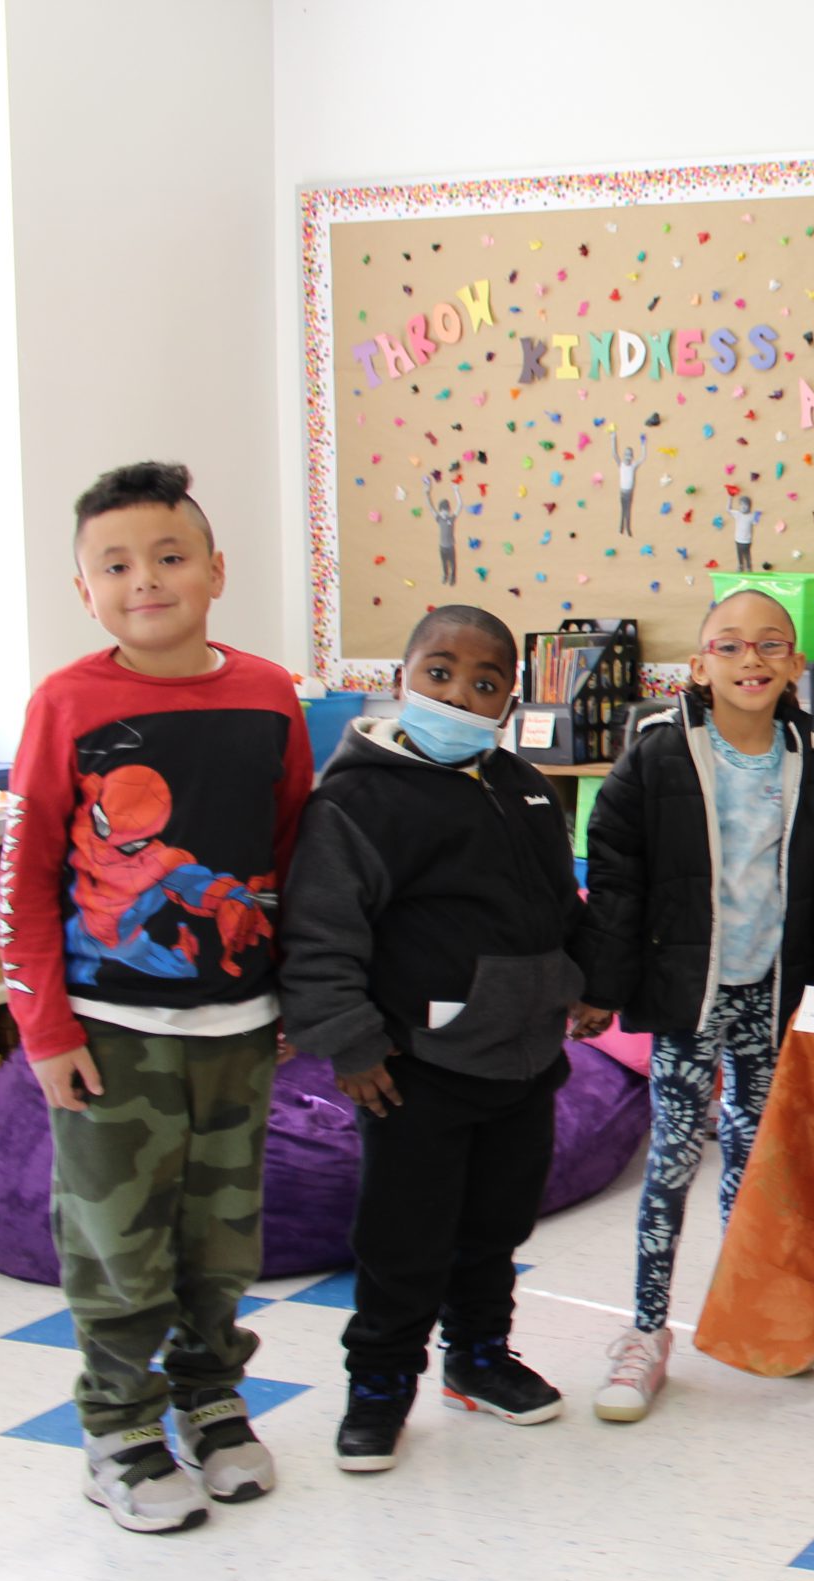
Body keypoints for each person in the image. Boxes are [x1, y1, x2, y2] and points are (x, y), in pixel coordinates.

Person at [1, 461, 314, 1532]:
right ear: (83, 588)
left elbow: (290, 853)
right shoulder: (68, 703)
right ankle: (121, 1428)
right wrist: (44, 1030)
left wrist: (286, 1000)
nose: (147, 581)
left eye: (170, 557)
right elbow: (27, 878)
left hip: (237, 1026)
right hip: (110, 1036)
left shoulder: (269, 694)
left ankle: (211, 1398)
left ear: (216, 571)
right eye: (117, 565)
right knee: (115, 1237)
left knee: (222, 1235)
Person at [279, 605, 590, 1474]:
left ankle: (479, 1356)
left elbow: (556, 906)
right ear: (399, 680)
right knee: (403, 1239)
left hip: (523, 1058)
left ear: (508, 700)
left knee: (495, 1227)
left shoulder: (526, 787)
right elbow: (321, 934)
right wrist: (351, 1044)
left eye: (484, 683)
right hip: (418, 1068)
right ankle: (378, 1385)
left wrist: (582, 982)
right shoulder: (356, 801)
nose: (459, 693)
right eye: (440, 672)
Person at [575, 589, 814, 1421]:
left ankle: (752, 1313)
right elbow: (617, 880)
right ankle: (643, 1331)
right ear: (700, 664)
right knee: (672, 1155)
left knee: (756, 1153)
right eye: (731, 646)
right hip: (686, 993)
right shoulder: (659, 754)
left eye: (770, 645)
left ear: (795, 665)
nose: (751, 661)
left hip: (771, 991)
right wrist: (601, 986)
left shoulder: (808, 755)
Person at [431, 494, 457, 587]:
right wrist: (426, 493)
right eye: (442, 511)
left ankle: (452, 577)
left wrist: (456, 491)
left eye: (445, 510)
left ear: (449, 510)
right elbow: (431, 507)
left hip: (450, 546)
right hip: (442, 546)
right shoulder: (439, 519)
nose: (444, 512)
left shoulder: (451, 519)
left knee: (452, 564)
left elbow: (459, 505)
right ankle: (445, 576)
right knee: (444, 563)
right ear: (440, 511)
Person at [730, 494, 760, 573]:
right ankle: (740, 566)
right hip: (738, 539)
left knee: (746, 554)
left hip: (747, 540)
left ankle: (749, 567)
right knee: (739, 553)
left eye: (745, 505)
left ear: (749, 506)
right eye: (741, 505)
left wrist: (758, 514)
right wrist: (730, 497)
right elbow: (728, 509)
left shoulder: (751, 516)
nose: (743, 507)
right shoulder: (738, 514)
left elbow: (755, 522)